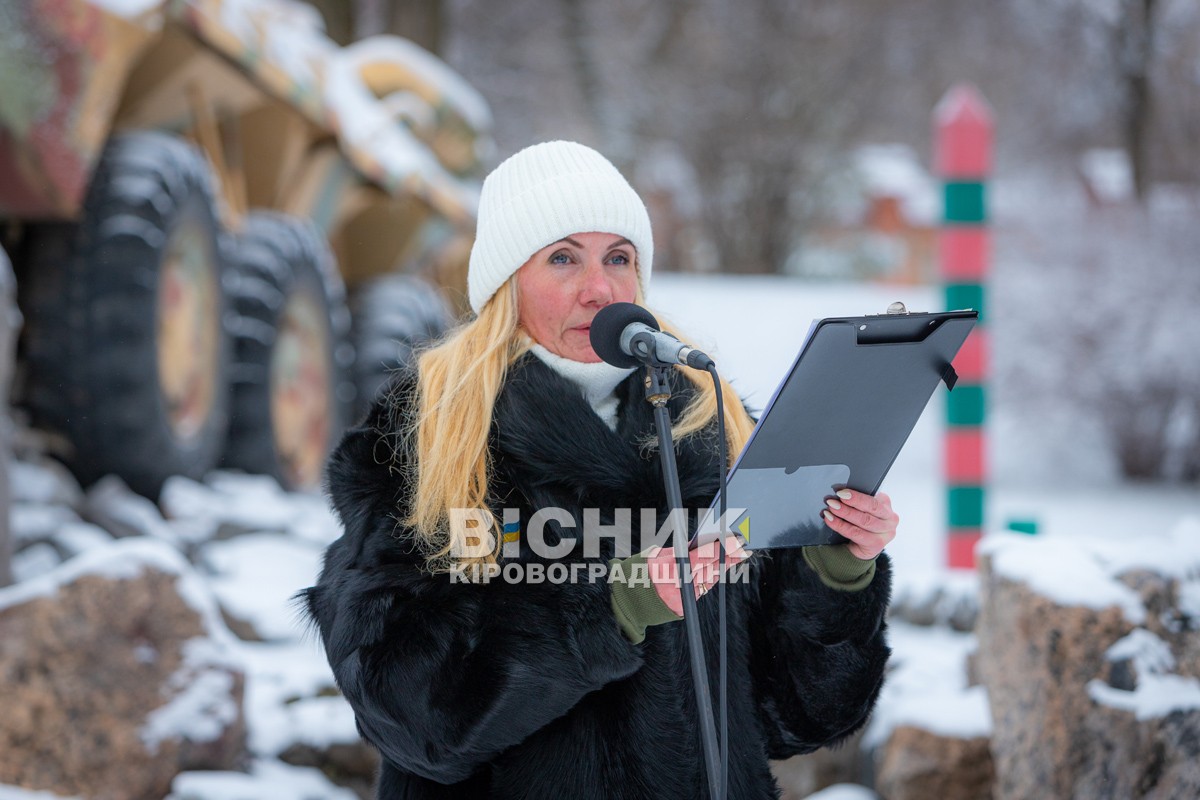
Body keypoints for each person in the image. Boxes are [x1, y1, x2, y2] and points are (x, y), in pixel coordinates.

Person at [303, 141, 899, 799]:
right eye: (563, 258)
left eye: (619, 257)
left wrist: (836, 570)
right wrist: (610, 609)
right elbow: (416, 721)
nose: (600, 288)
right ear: (506, 280)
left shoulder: (714, 424)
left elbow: (795, 717)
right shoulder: (424, 433)